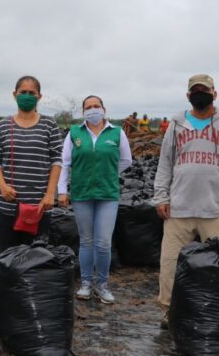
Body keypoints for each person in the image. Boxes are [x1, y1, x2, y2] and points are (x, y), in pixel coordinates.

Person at [153, 74, 219, 329]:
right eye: (195, 91)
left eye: (204, 90)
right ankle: (168, 311)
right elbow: (165, 163)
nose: (200, 94)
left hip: (216, 209)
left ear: (214, 94)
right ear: (188, 96)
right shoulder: (176, 124)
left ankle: (214, 312)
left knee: (218, 267)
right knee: (170, 265)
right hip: (178, 208)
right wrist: (161, 196)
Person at [58, 95, 132, 303]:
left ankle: (102, 284)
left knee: (103, 242)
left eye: (96, 106)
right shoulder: (74, 133)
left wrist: (107, 173)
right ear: (83, 112)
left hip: (108, 194)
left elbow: (126, 160)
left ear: (104, 109)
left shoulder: (117, 133)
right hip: (81, 194)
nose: (93, 110)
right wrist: (62, 190)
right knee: (86, 240)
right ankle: (86, 283)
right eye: (88, 107)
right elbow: (64, 163)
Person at [0, 76, 63, 253]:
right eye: (23, 92)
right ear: (14, 95)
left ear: (39, 96)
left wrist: (50, 194)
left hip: (39, 205)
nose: (27, 96)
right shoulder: (2, 126)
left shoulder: (49, 125)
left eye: (32, 93)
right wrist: (2, 186)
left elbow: (57, 160)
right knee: (7, 254)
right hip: (7, 204)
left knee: (35, 257)